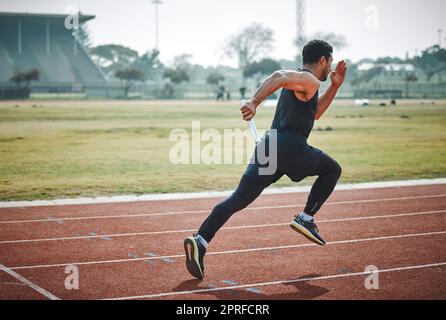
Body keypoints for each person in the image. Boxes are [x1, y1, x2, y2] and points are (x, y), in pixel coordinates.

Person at [184, 40, 347, 279]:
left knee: (238, 198)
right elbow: (279, 75)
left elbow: (316, 113)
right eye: (330, 61)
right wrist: (254, 102)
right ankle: (306, 218)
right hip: (290, 146)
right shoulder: (308, 79)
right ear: (322, 60)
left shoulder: (306, 85)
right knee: (333, 170)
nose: (331, 66)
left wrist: (334, 87)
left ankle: (200, 241)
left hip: (269, 146)